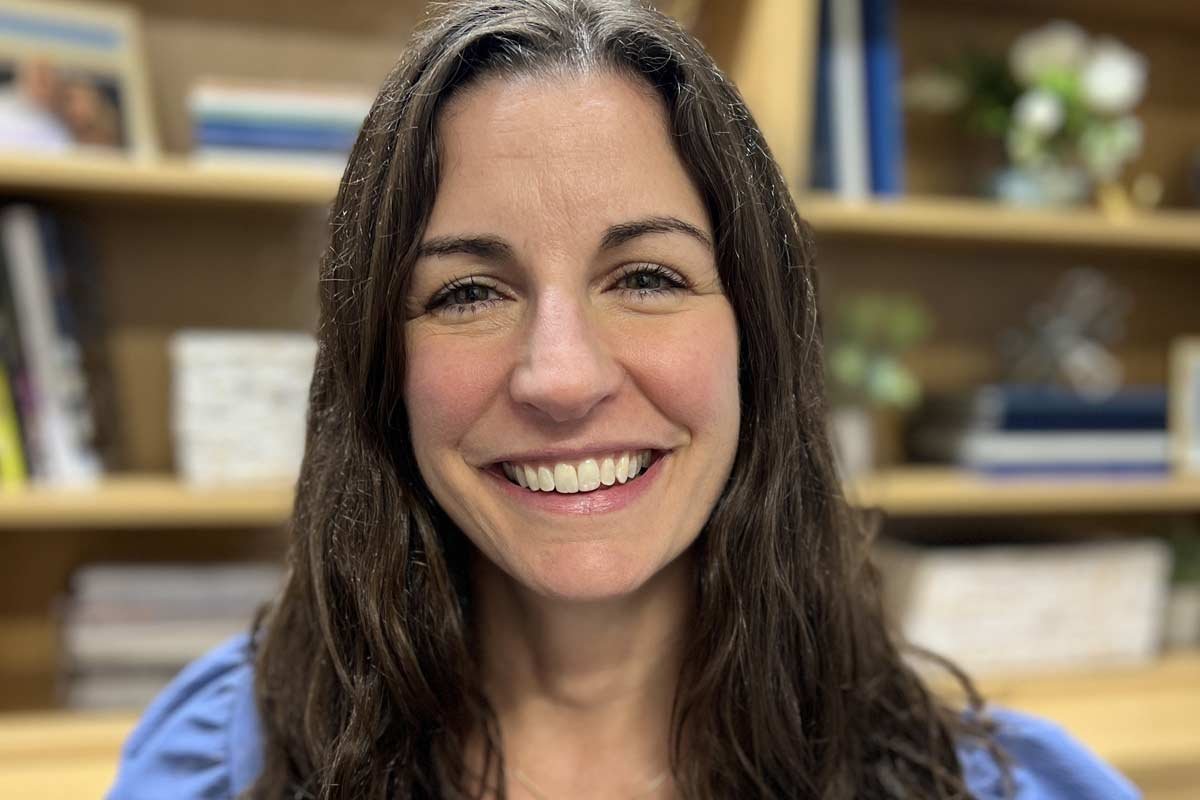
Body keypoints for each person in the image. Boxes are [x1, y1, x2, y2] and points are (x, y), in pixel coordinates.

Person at [108, 1, 1140, 798]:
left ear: (759, 339)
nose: (561, 376)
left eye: (646, 277)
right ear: (381, 368)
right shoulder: (219, 757)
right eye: (469, 291)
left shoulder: (1011, 783)